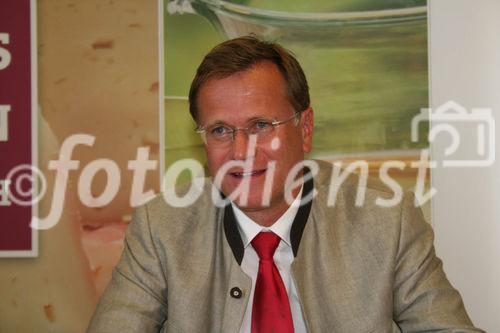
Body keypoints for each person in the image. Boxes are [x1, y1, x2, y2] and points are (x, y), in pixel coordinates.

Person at [88, 36, 482, 332]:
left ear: (304, 128)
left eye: (261, 125)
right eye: (221, 129)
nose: (242, 150)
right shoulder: (162, 229)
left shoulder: (386, 221)